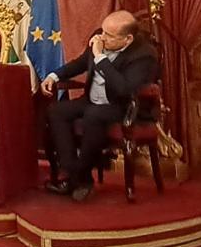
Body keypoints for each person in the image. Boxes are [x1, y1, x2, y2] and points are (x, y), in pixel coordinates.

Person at [37, 10, 158, 202]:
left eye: (109, 35)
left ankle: (79, 178)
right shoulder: (100, 37)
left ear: (127, 39)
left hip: (122, 106)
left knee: (94, 115)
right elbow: (80, 63)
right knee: (57, 111)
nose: (102, 37)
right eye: (102, 31)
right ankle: (74, 173)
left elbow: (124, 89)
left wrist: (100, 57)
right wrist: (54, 76)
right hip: (91, 100)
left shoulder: (144, 55)